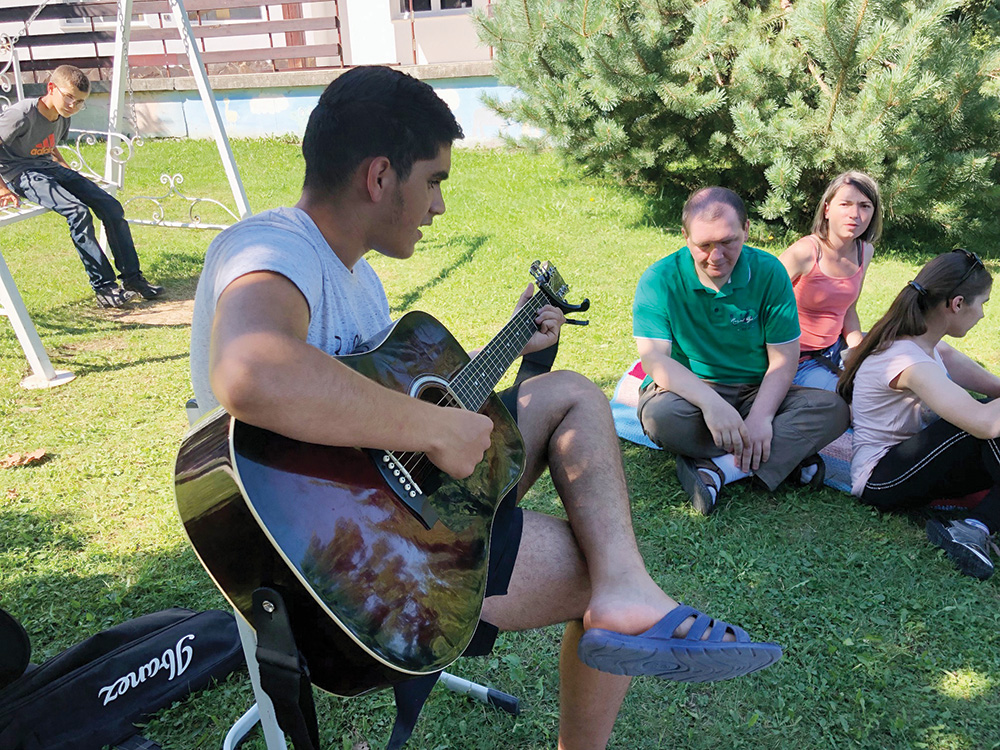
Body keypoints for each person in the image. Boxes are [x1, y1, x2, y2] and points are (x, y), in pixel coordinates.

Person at [189, 66, 782, 750]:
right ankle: (615, 602)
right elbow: (251, 370)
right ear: (380, 176)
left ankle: (626, 587)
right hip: (349, 553)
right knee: (594, 568)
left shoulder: (361, 280)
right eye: (434, 179)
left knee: (570, 393)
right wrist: (435, 425)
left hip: (395, 494)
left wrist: (515, 355)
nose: (438, 205)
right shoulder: (276, 245)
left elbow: (389, 414)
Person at [634, 187, 851, 515]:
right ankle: (778, 454)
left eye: (728, 242)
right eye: (704, 245)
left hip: (755, 390)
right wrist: (711, 405)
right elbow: (654, 358)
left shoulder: (770, 272)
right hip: (690, 393)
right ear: (685, 237)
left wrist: (762, 416)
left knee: (834, 410)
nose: (716, 256)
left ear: (746, 229)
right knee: (660, 418)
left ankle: (718, 469)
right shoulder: (659, 278)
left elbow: (784, 357)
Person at [838, 249, 1000, 579]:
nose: (983, 314)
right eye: (982, 302)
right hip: (882, 479)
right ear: (956, 304)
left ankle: (975, 526)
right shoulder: (906, 359)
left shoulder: (931, 344)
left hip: (917, 463)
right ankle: (973, 528)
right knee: (979, 421)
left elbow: (995, 388)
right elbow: (984, 423)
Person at [0, 65, 163, 308]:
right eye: (69, 98)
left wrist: (64, 166)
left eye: (79, 102)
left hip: (48, 168)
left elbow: (48, 143)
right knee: (77, 211)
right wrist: (3, 189)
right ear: (51, 88)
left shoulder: (62, 115)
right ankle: (104, 288)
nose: (73, 106)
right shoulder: (22, 114)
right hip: (21, 173)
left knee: (111, 206)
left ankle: (133, 279)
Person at [779, 172, 882, 390]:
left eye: (865, 206)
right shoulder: (806, 252)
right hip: (798, 360)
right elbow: (760, 304)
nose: (854, 214)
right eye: (845, 204)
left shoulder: (864, 251)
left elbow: (848, 310)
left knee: (892, 382)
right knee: (853, 402)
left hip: (836, 349)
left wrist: (859, 353)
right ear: (827, 209)